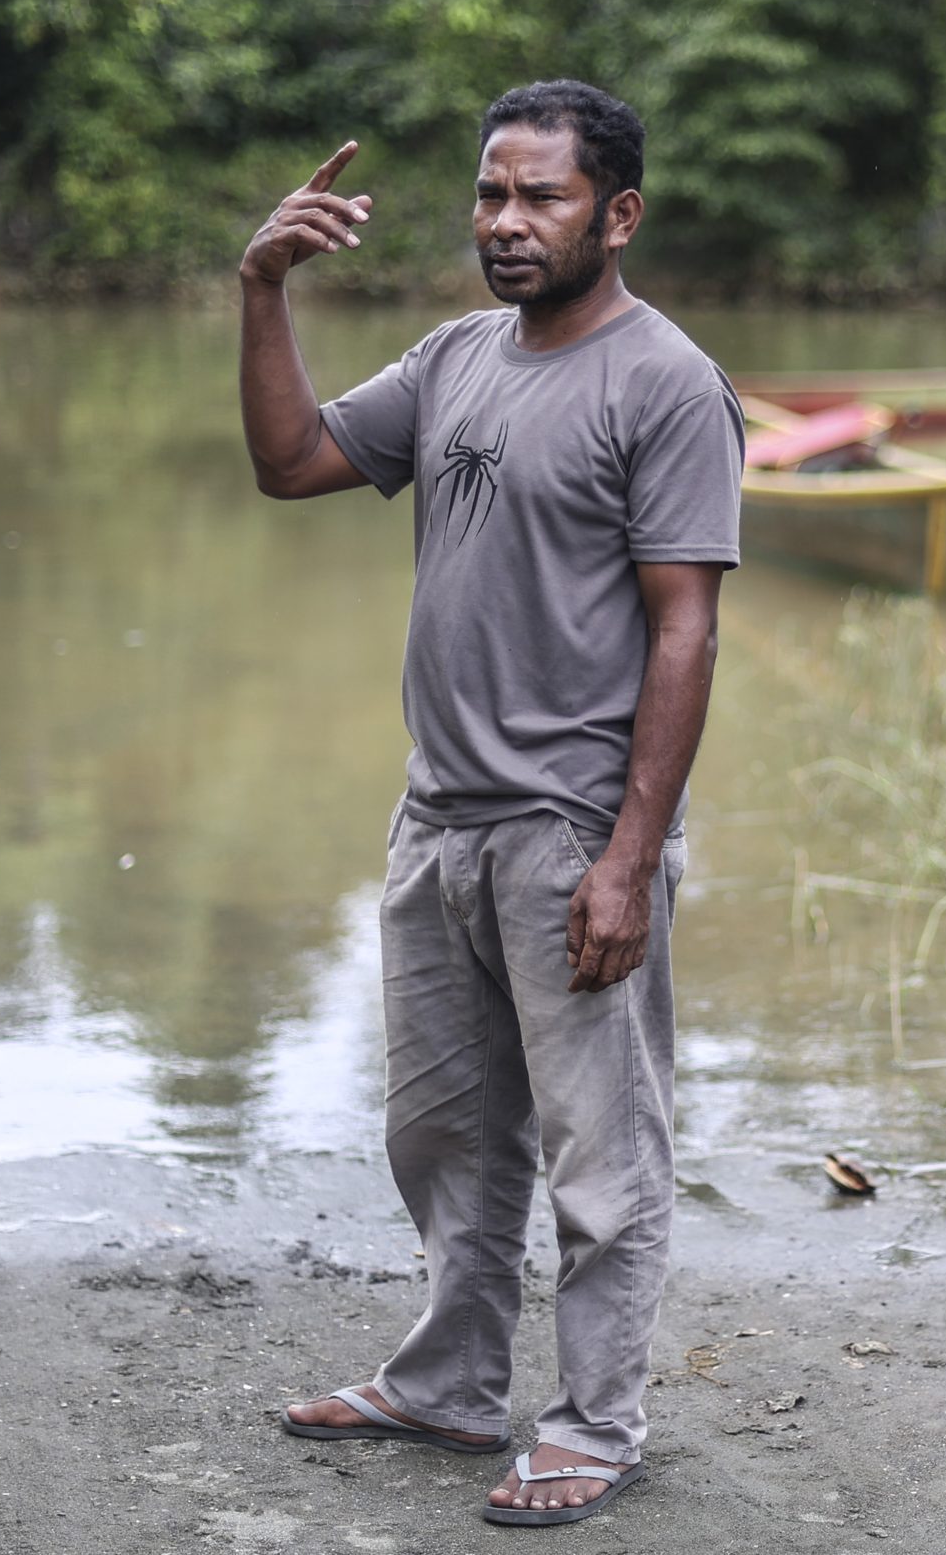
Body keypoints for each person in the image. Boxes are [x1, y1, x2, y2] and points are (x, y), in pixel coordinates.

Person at [237, 80, 744, 1528]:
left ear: (618, 215)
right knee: (445, 1138)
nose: (506, 224)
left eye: (543, 198)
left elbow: (684, 632)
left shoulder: (665, 383)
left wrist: (628, 857)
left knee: (603, 1153)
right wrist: (263, 288)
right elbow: (289, 465)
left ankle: (595, 1421)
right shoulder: (457, 357)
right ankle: (453, 1385)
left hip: (569, 832)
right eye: (489, 195)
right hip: (439, 822)